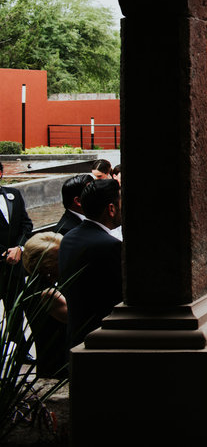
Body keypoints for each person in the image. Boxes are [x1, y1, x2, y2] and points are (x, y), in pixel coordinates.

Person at [58, 178, 123, 349]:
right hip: (104, 341)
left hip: (76, 338)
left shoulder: (69, 238)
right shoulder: (109, 245)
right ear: (111, 208)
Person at [22, 232, 68, 378]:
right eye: (59, 257)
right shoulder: (48, 295)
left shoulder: (32, 284)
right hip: (58, 366)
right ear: (46, 265)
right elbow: (78, 319)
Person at [0, 161, 34, 349]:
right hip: (2, 258)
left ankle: (19, 348)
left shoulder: (14, 194)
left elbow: (26, 224)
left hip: (15, 265)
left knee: (16, 307)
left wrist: (19, 248)